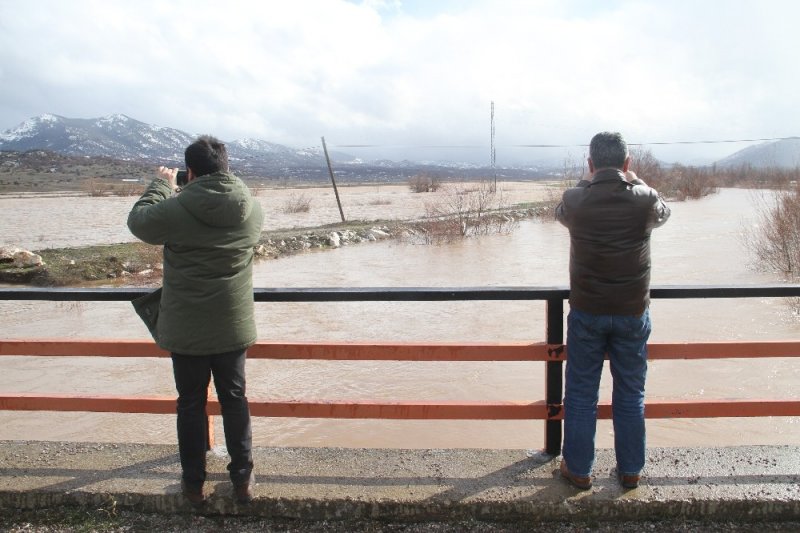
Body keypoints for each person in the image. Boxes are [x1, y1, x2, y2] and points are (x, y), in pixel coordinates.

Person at [127, 135, 264, 505]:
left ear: (189, 171)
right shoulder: (252, 208)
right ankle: (242, 478)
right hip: (233, 323)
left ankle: (192, 484)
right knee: (234, 398)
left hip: (187, 327)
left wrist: (162, 185)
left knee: (190, 402)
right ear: (226, 167)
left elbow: (139, 223)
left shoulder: (176, 208)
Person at [555, 131, 670, 491]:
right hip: (632, 311)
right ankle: (631, 469)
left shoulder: (575, 200)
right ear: (627, 163)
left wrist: (585, 181)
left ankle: (579, 470)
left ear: (590, 164)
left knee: (580, 394)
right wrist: (638, 181)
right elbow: (664, 213)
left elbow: (561, 214)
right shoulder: (645, 199)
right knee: (631, 393)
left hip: (587, 310)